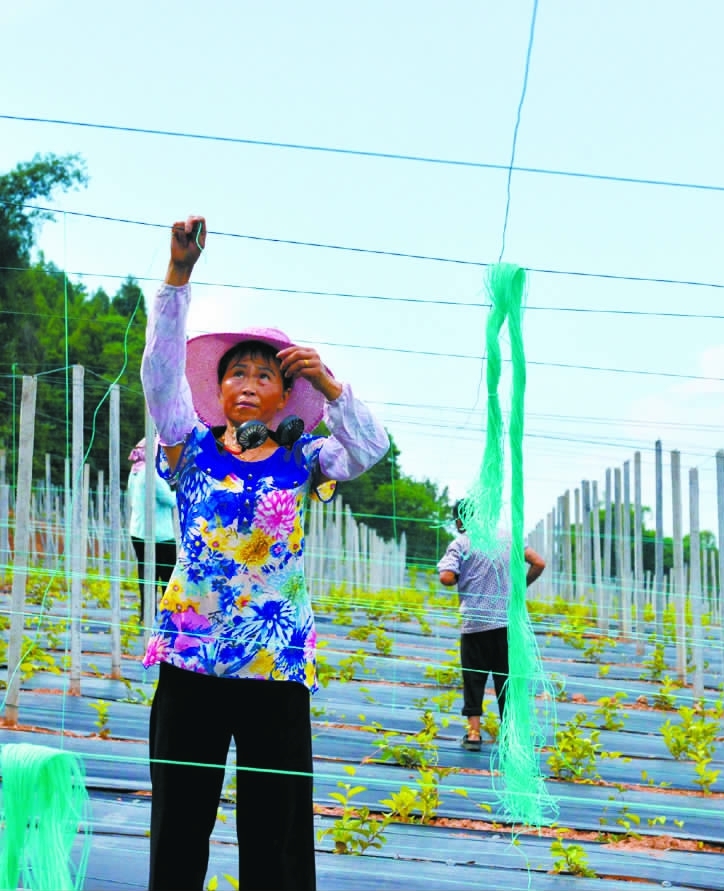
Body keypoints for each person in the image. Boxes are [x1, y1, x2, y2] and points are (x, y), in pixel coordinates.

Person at [140, 215, 389, 891]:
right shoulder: (188, 445)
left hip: (274, 665)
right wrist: (178, 274)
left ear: (285, 395)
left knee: (275, 834)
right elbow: (159, 373)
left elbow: (370, 449)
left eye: (263, 374)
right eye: (235, 373)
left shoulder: (306, 456)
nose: (248, 382)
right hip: (191, 660)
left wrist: (333, 387)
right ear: (216, 392)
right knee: (179, 823)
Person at [437, 499, 545, 751]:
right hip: (505, 624)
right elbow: (538, 562)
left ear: (461, 520)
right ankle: (509, 734)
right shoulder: (508, 538)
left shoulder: (461, 543)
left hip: (475, 624)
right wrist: (518, 588)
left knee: (473, 679)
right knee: (505, 679)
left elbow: (446, 576)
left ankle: (474, 734)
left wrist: (459, 579)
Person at [126, 438, 177, 624]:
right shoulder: (152, 475)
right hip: (159, 535)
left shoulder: (135, 473)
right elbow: (171, 501)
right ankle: (168, 618)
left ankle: (146, 615)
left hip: (138, 531)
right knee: (168, 577)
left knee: (147, 574)